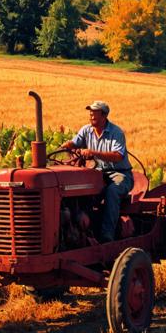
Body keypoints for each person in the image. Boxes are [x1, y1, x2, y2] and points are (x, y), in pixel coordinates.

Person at [61, 100, 133, 243]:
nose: (91, 115)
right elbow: (75, 142)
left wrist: (94, 153)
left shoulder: (116, 132)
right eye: (90, 112)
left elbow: (118, 156)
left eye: (95, 112)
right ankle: (83, 232)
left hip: (119, 173)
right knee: (82, 191)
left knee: (112, 191)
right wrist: (68, 145)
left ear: (104, 115)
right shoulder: (86, 130)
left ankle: (107, 235)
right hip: (97, 173)